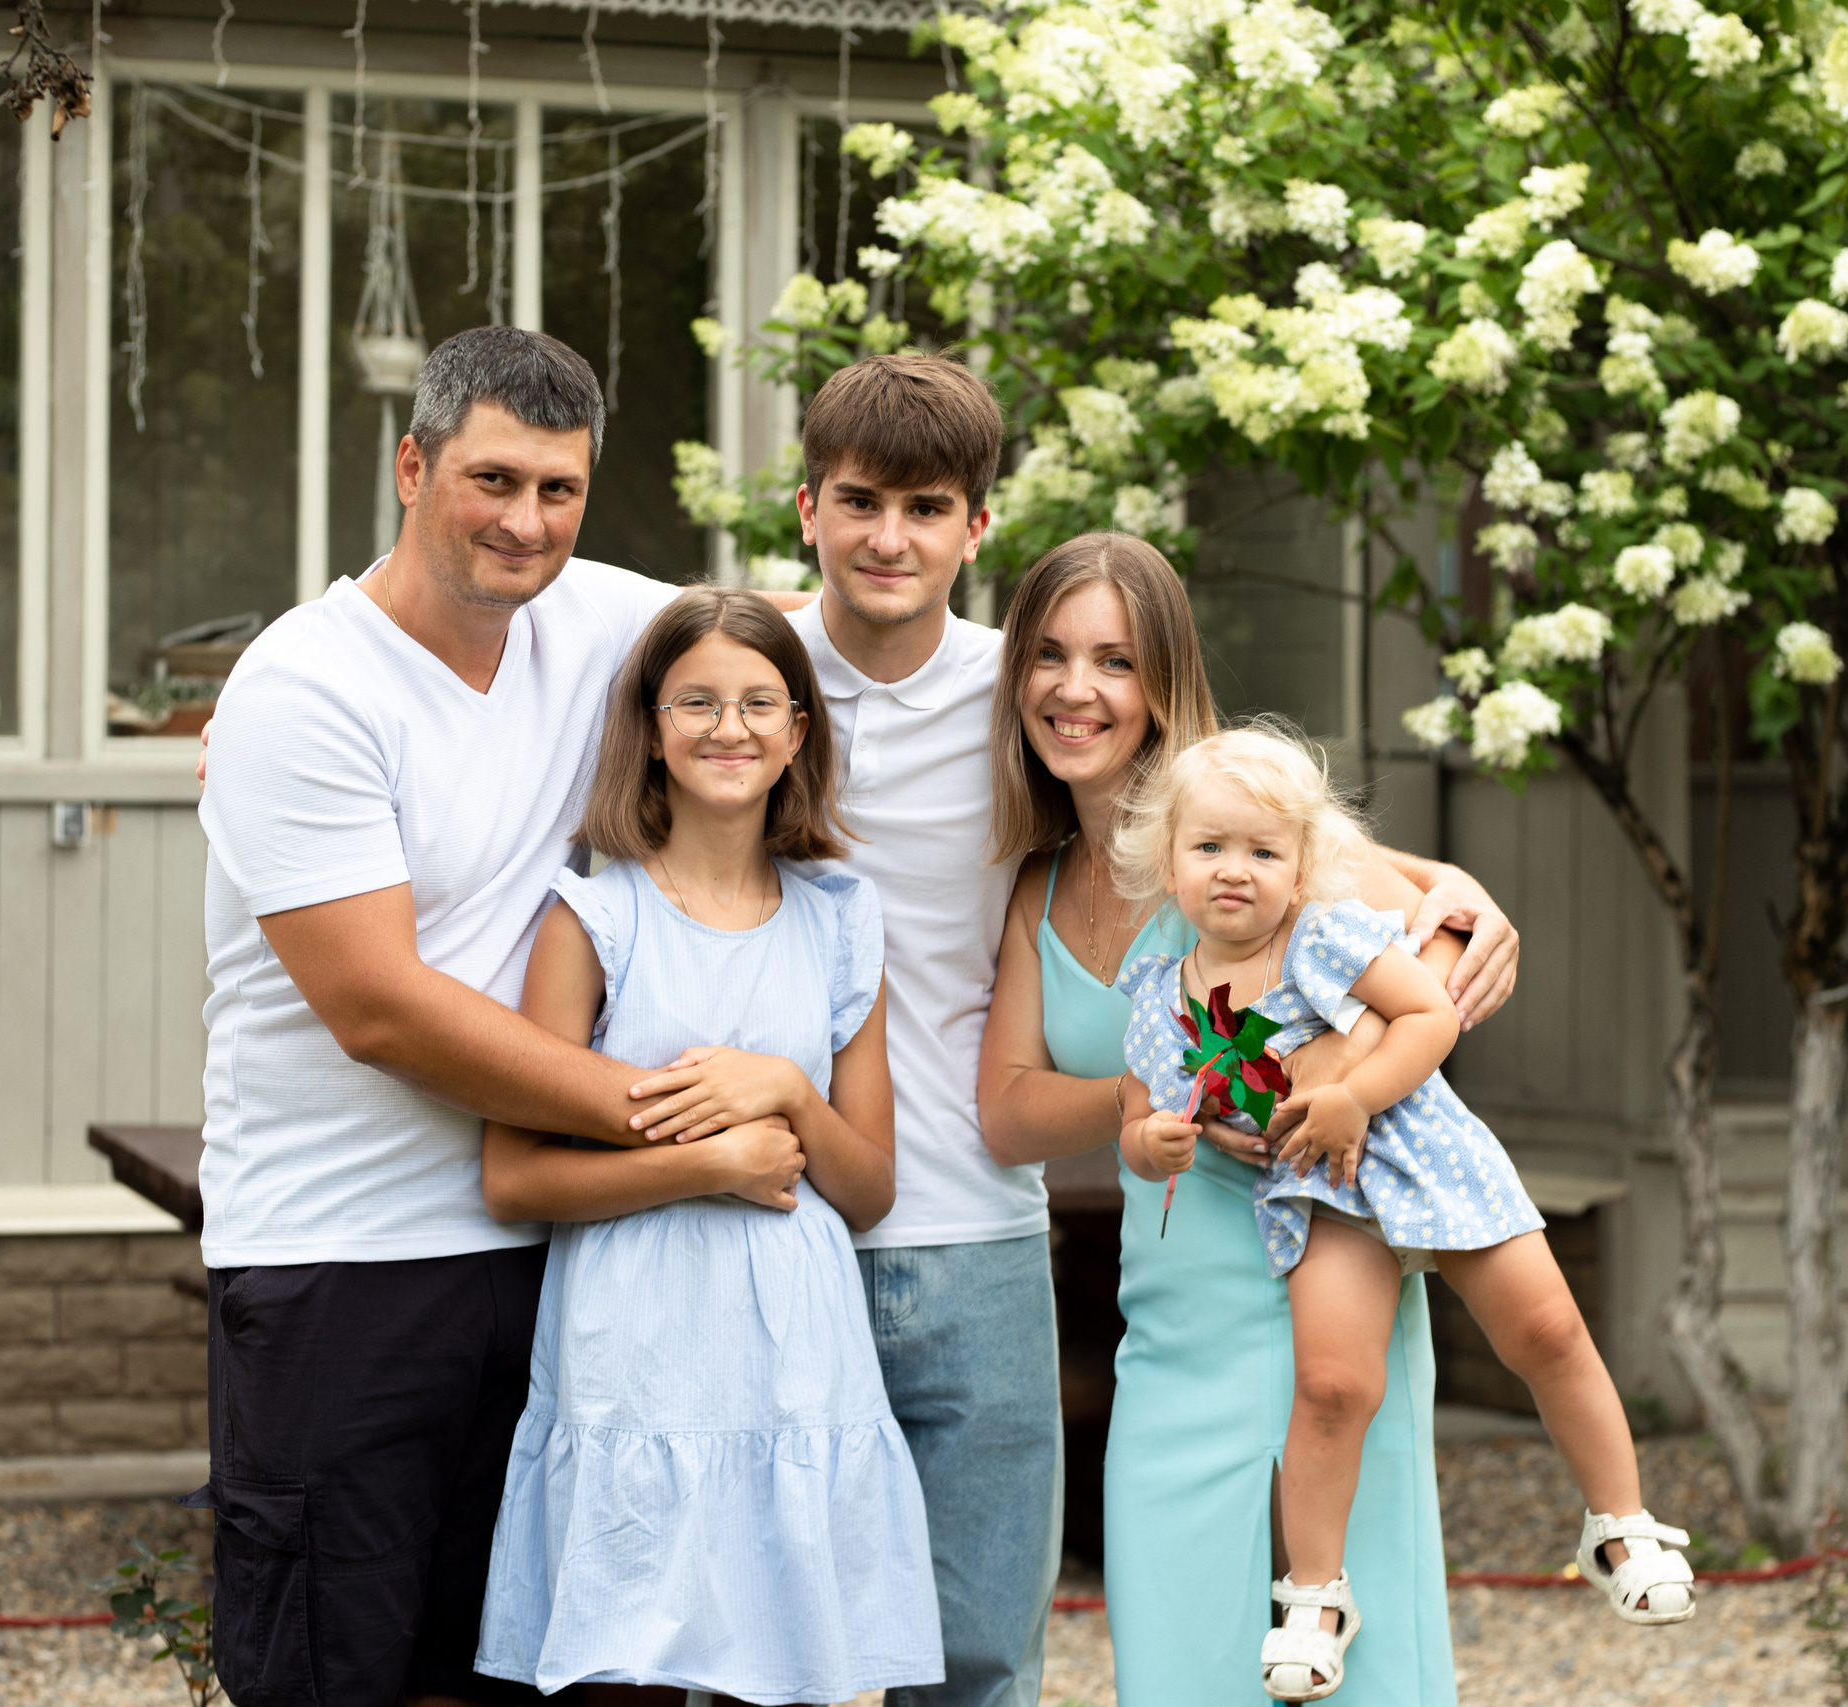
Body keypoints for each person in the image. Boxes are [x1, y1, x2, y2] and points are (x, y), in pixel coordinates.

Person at [632, 354, 1518, 1707]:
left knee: (1042, 1655)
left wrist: (1447, 909)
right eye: (860, 502)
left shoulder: (1101, 756)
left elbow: (1354, 887)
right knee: (765, 1652)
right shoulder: (769, 691)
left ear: (974, 527)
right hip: (820, 1229)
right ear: (806, 508)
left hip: (1205, 1272)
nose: (1074, 685)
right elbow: (573, 634)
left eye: (926, 508)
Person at [193, 327, 798, 1707]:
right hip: (345, 1256)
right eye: (494, 480)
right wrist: (680, 1122)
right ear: (414, 468)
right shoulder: (305, 688)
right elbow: (380, 1009)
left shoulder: (600, 622)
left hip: (548, 1252)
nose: (526, 521)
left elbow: (826, 650)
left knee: (528, 1663)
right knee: (331, 1667)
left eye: (558, 489)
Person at [974, 533, 1482, 1706]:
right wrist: (1155, 1096)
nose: (1076, 689)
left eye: (1115, 660)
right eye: (1048, 655)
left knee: (1357, 1674)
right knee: (1182, 1670)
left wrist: (1334, 1067)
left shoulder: (1244, 838)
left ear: (1163, 680)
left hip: (1327, 1314)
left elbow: (1443, 951)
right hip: (1173, 1341)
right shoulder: (1037, 887)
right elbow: (1004, 1110)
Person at [1113, 723, 1693, 1700]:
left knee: (1547, 1330)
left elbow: (1428, 1012)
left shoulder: (1321, 934)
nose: (1234, 870)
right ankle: (1314, 1595)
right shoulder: (1159, 999)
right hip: (1324, 1189)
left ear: (1302, 868)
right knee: (1333, 1386)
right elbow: (1138, 1116)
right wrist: (1158, 1143)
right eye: (1209, 847)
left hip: (1423, 1154)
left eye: (1263, 852)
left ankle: (1619, 1525)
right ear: (1167, 863)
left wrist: (1354, 1092)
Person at [469, 587, 943, 1705]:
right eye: (696, 702)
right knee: (620, 1669)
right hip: (635, 1355)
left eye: (758, 703)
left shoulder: (839, 918)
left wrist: (789, 1093)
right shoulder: (594, 918)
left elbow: (870, 1187)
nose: (729, 728)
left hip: (793, 1362)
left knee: (780, 1674)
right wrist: (706, 1163)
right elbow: (513, 1177)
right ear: (651, 727)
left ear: (797, 732)